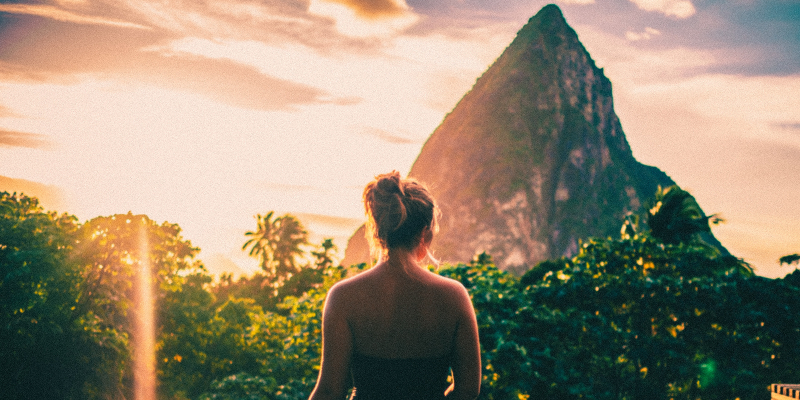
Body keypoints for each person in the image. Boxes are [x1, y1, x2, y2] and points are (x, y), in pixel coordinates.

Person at [308, 171, 481, 400]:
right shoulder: (453, 296)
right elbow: (468, 390)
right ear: (424, 233)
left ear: (377, 230)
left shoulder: (343, 297)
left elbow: (330, 391)